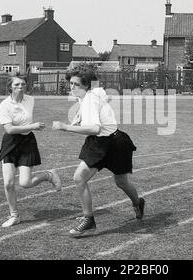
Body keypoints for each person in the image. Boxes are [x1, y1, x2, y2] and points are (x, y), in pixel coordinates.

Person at [52, 68, 145, 237]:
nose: (72, 87)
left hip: (114, 143)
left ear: (86, 85)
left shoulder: (89, 99)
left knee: (121, 182)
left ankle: (138, 202)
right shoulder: (93, 92)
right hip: (102, 142)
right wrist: (79, 116)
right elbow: (101, 94)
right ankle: (89, 220)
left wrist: (66, 127)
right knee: (79, 177)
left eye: (77, 84)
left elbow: (95, 129)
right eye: (71, 83)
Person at [0, 73, 62, 228]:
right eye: (17, 85)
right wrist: (32, 126)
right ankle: (14, 216)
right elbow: (10, 129)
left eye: (23, 84)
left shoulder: (31, 100)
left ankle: (49, 175)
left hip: (27, 142)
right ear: (10, 87)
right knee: (8, 184)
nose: (20, 87)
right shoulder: (4, 105)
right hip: (11, 142)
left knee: (25, 183)